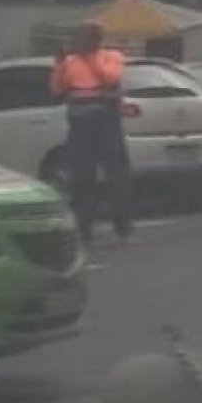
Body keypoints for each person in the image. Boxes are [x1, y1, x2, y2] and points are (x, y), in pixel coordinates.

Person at [50, 21, 132, 243]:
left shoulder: (110, 56)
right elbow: (57, 89)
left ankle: (123, 227)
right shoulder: (69, 61)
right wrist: (59, 65)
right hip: (80, 121)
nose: (83, 41)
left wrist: (89, 58)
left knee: (116, 173)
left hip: (106, 119)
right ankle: (84, 228)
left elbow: (109, 78)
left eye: (89, 37)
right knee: (81, 176)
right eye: (82, 37)